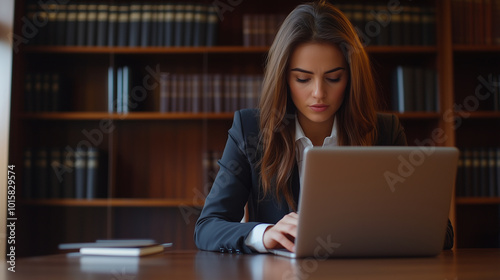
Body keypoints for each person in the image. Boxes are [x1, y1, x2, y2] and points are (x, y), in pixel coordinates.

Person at [194, 0, 454, 254]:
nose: (319, 93)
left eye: (333, 78)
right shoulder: (250, 130)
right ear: (284, 79)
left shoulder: (384, 131)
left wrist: (374, 231)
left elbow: (441, 232)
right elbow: (207, 227)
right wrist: (265, 233)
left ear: (351, 78)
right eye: (303, 78)